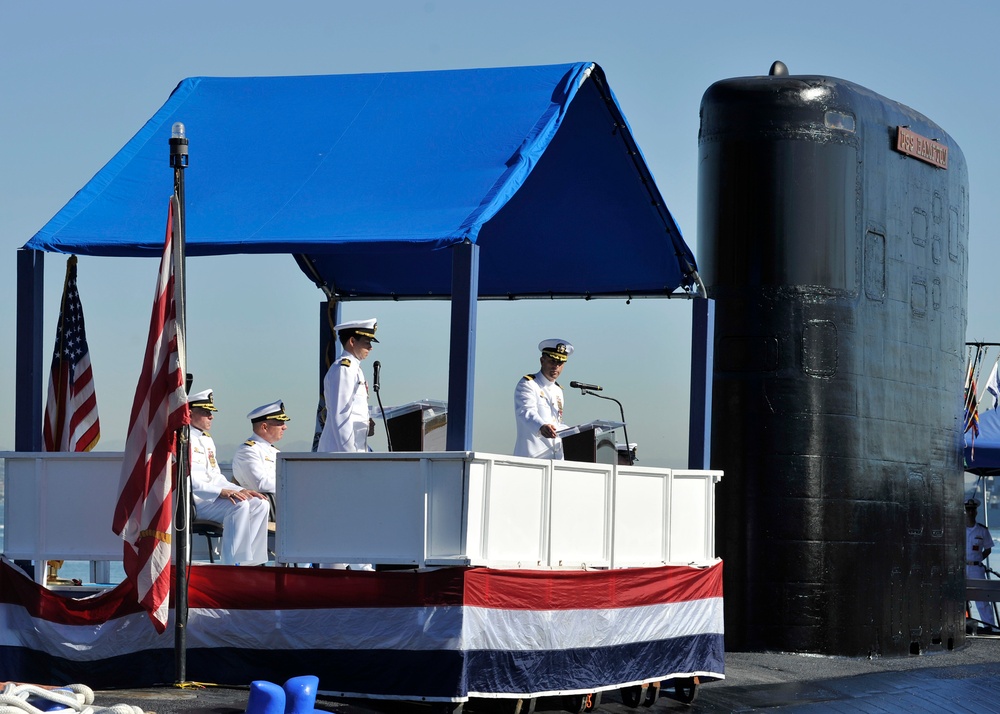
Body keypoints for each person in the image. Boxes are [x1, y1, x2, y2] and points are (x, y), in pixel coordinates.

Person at [188, 389, 270, 566]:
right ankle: (231, 563)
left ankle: (252, 563)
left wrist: (241, 490)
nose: (211, 416)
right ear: (189, 412)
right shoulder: (182, 439)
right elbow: (186, 479)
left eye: (211, 412)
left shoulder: (207, 440)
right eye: (205, 412)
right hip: (196, 501)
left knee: (260, 503)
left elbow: (216, 476)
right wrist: (221, 492)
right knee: (239, 505)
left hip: (213, 498)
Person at [318, 318, 378, 453]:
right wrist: (349, 456)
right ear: (352, 341)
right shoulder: (344, 369)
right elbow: (341, 415)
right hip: (339, 452)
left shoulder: (355, 369)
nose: (370, 347)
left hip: (354, 449)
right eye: (366, 342)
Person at [513, 339, 574, 459]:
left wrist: (577, 432)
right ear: (542, 361)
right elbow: (526, 412)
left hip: (555, 459)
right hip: (532, 457)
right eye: (552, 361)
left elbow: (557, 423)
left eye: (560, 363)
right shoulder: (528, 384)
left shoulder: (558, 390)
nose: (556, 366)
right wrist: (541, 426)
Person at [232, 400, 290, 502]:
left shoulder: (274, 451)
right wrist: (294, 485)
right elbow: (260, 485)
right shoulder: (247, 451)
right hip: (263, 506)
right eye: (280, 423)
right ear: (264, 427)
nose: (285, 427)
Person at [966, 497, 997, 628]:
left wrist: (977, 560)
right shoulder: (957, 529)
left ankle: (990, 627)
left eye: (973, 510)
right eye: (968, 509)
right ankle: (960, 626)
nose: (970, 512)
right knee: (957, 598)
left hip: (976, 568)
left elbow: (988, 549)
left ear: (976, 512)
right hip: (960, 567)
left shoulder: (982, 530)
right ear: (965, 511)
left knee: (982, 599)